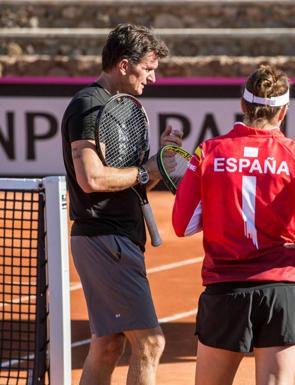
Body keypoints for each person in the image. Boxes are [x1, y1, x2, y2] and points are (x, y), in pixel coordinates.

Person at [172, 65, 295, 385]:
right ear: (283, 111)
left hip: (225, 290)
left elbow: (182, 225)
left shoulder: (209, 151)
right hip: (282, 289)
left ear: (243, 106)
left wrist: (214, 207)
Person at [61, 24, 181, 385]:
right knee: (150, 343)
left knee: (107, 345)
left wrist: (158, 164)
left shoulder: (121, 110)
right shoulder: (88, 105)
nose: (153, 78)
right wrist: (148, 171)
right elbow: (92, 179)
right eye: (148, 68)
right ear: (125, 65)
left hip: (118, 239)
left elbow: (134, 181)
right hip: (104, 240)